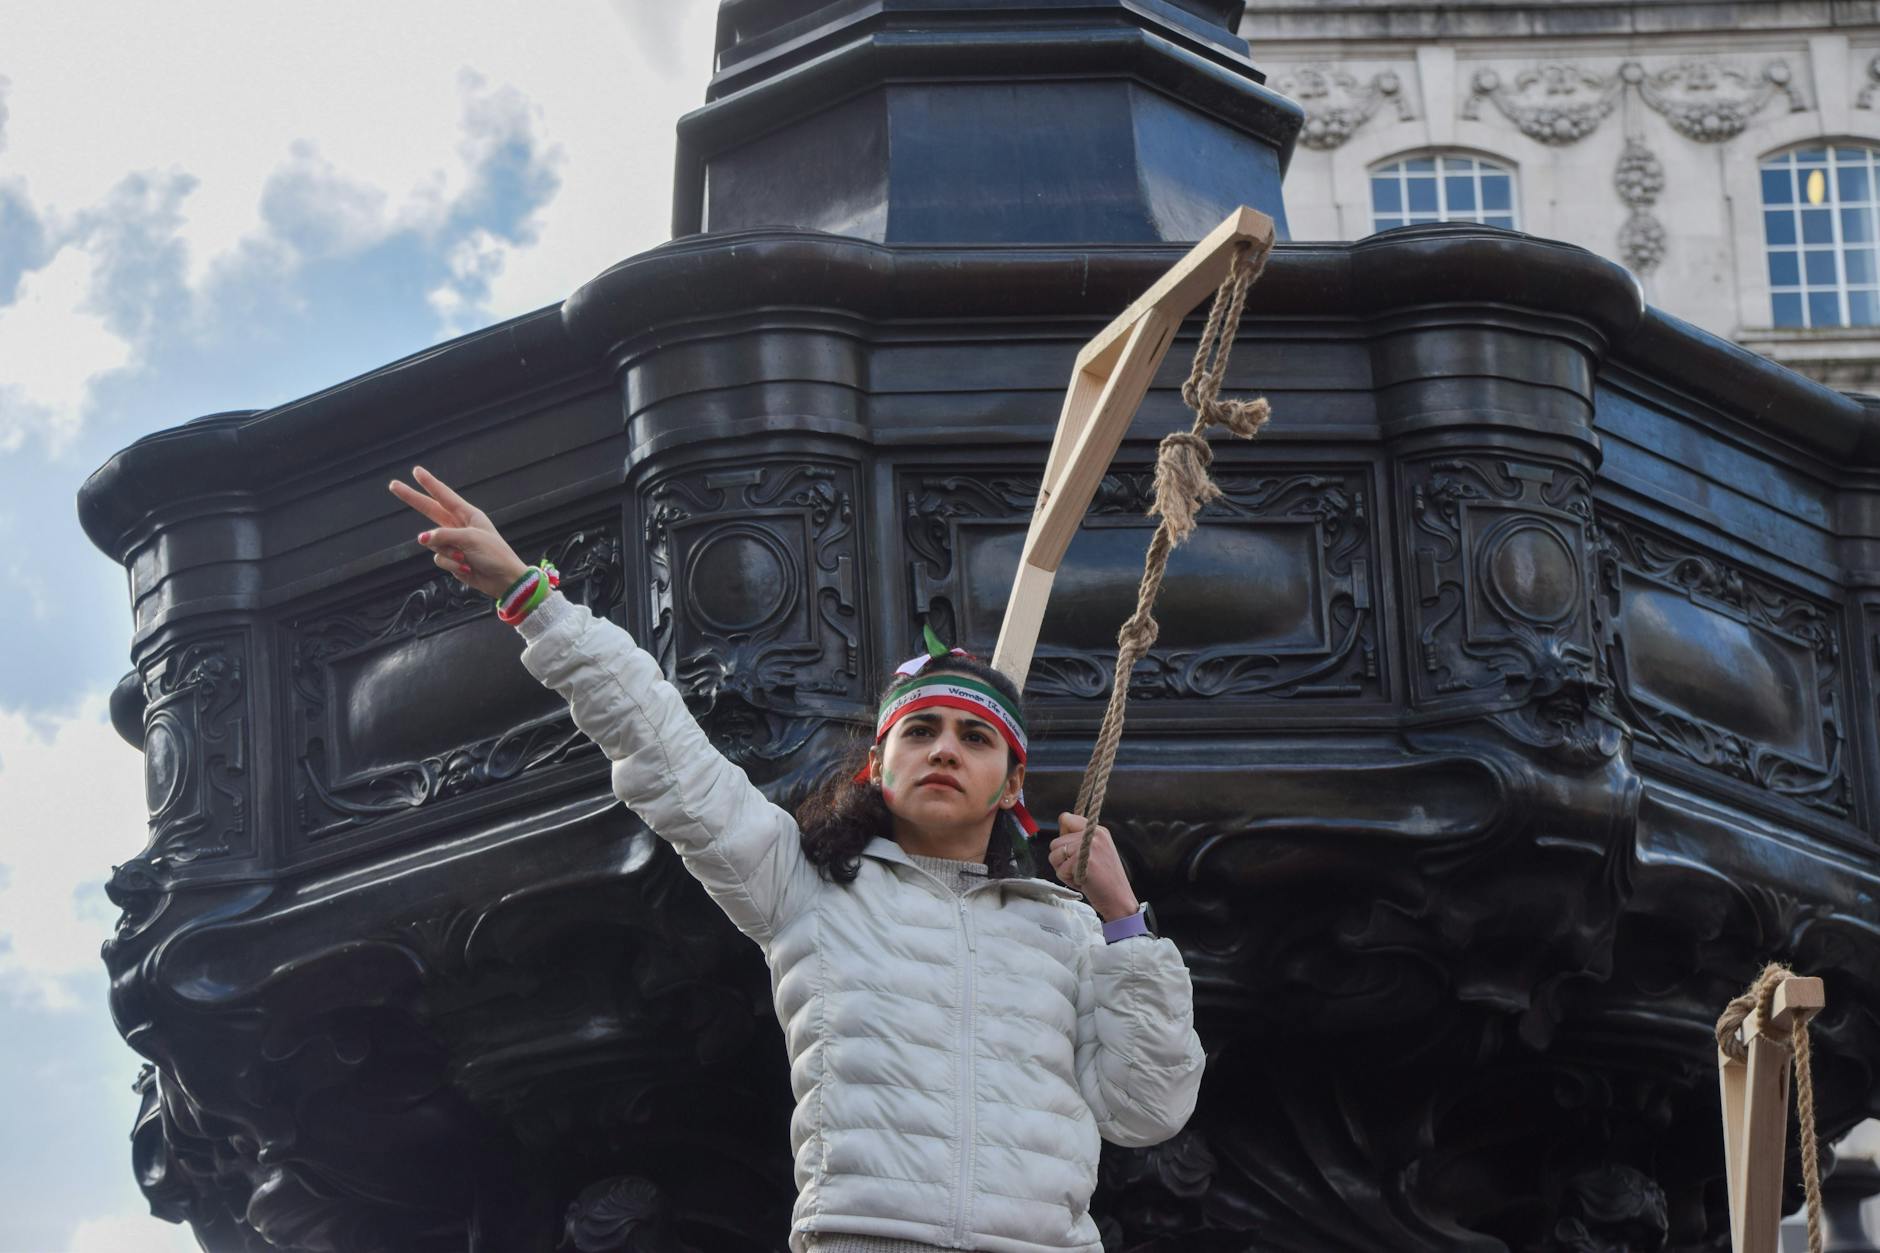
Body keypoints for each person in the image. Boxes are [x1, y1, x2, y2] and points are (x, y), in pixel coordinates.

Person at [389, 465, 1205, 1252]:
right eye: (920, 731)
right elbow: (664, 749)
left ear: (1011, 782)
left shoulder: (1067, 931)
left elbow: (1146, 1109)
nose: (944, 750)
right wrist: (532, 599)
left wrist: (1123, 922)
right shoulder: (804, 885)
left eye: (975, 737)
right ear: (877, 766)